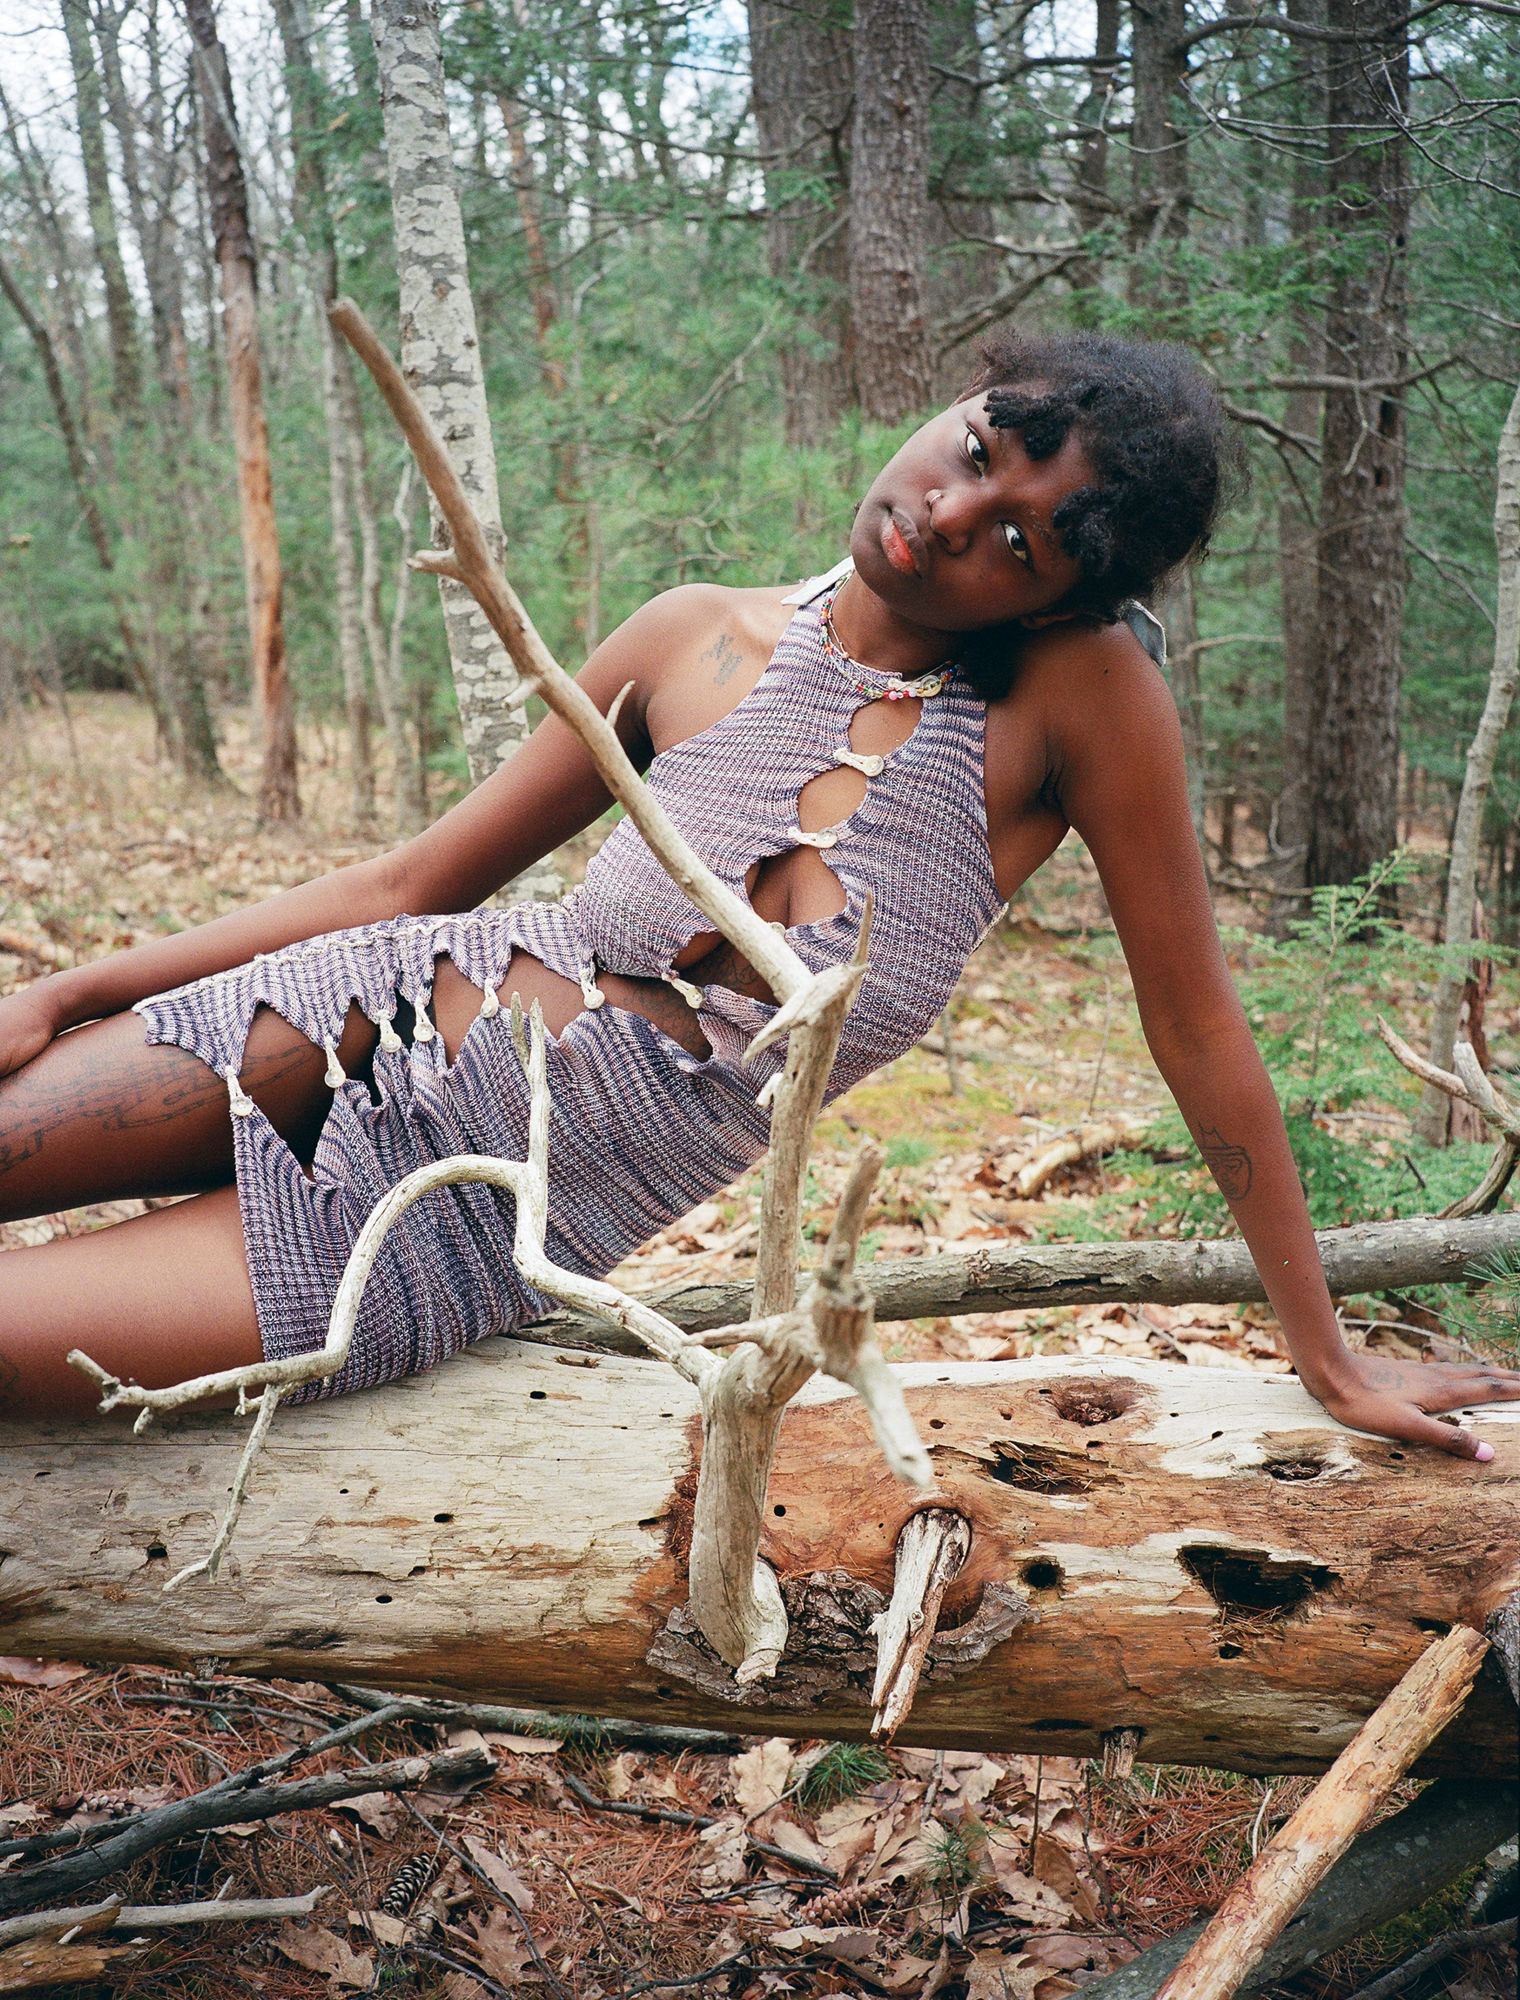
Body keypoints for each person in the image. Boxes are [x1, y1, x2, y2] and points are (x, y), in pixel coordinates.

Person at [1, 330, 1515, 1455]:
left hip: (465, 1224)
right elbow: (409, 878)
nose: (951, 514)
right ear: (958, 401)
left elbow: (1197, 1034)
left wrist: (1324, 1358)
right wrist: (76, 987)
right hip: (338, 1017)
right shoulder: (689, 632)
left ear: (1063, 597)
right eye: (979, 452)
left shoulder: (1078, 701)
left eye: (1019, 541)